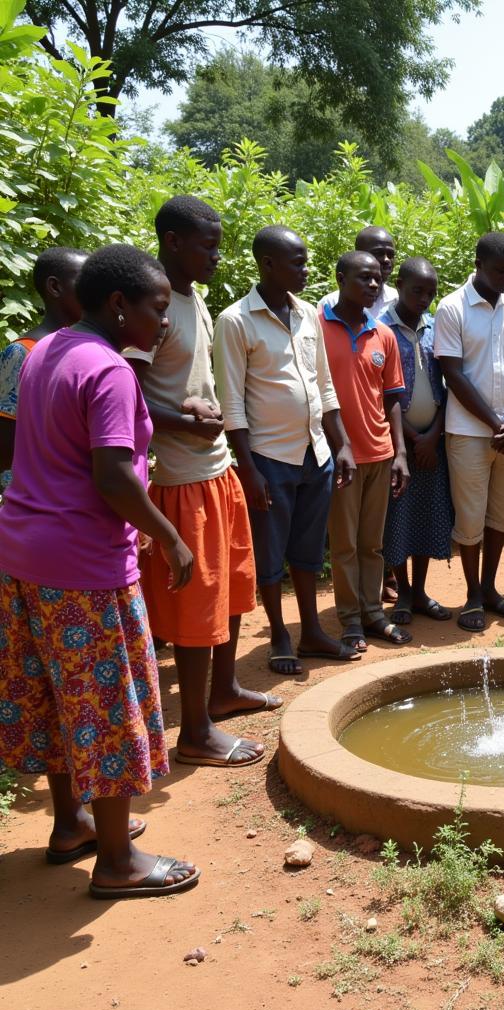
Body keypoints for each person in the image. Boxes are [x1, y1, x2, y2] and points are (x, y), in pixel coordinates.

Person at [0, 244, 201, 898]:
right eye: (157, 306)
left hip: (23, 556)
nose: (164, 320)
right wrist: (169, 537)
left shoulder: (45, 351)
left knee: (59, 696)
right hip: (83, 564)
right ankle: (117, 862)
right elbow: (113, 475)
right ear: (119, 305)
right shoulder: (109, 371)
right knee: (111, 704)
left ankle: (71, 825)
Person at [124, 196, 270, 770]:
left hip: (216, 469)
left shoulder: (192, 299)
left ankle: (223, 689)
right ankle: (196, 732)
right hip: (181, 477)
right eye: (206, 244)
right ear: (172, 241)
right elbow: (127, 396)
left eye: (218, 242)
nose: (216, 254)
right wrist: (186, 422)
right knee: (195, 602)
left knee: (231, 587)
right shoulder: (152, 312)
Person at [213, 225, 358, 674]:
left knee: (309, 549)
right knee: (270, 553)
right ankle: (279, 632)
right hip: (269, 458)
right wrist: (248, 468)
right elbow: (231, 402)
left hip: (316, 452)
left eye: (305, 260)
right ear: (267, 264)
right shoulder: (235, 320)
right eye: (296, 262)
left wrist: (342, 444)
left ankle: (311, 630)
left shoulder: (307, 314)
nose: (305, 269)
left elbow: (324, 385)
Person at [434, 232, 504, 633]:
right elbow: (452, 374)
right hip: (469, 433)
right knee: (471, 517)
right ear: (477, 265)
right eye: (499, 271)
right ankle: (473, 594)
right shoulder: (452, 307)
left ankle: (493, 589)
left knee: (501, 516)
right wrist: (497, 425)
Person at [322, 250, 410, 649]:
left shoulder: (384, 335)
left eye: (377, 278)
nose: (373, 285)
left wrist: (400, 453)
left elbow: (392, 398)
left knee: (372, 543)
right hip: (342, 455)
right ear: (341, 279)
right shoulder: (318, 327)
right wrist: (338, 444)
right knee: (344, 544)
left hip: (380, 452)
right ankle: (350, 619)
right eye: (363, 278)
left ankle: (374, 613)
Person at [379, 258, 454, 625]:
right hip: (398, 443)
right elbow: (382, 394)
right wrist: (409, 439)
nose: (424, 298)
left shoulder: (436, 327)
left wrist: (433, 435)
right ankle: (403, 591)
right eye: (417, 291)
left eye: (431, 293)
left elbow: (448, 384)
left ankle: (421, 590)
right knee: (398, 516)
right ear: (399, 284)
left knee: (427, 512)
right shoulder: (381, 330)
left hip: (432, 440)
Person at [0, 247, 88, 488]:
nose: (95, 291)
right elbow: (5, 447)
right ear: (55, 287)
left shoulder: (91, 351)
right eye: (85, 281)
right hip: (33, 499)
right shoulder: (22, 353)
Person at [318, 225, 398, 319]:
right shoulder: (330, 304)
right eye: (379, 253)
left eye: (391, 255)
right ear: (359, 254)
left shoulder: (398, 301)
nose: (386, 260)